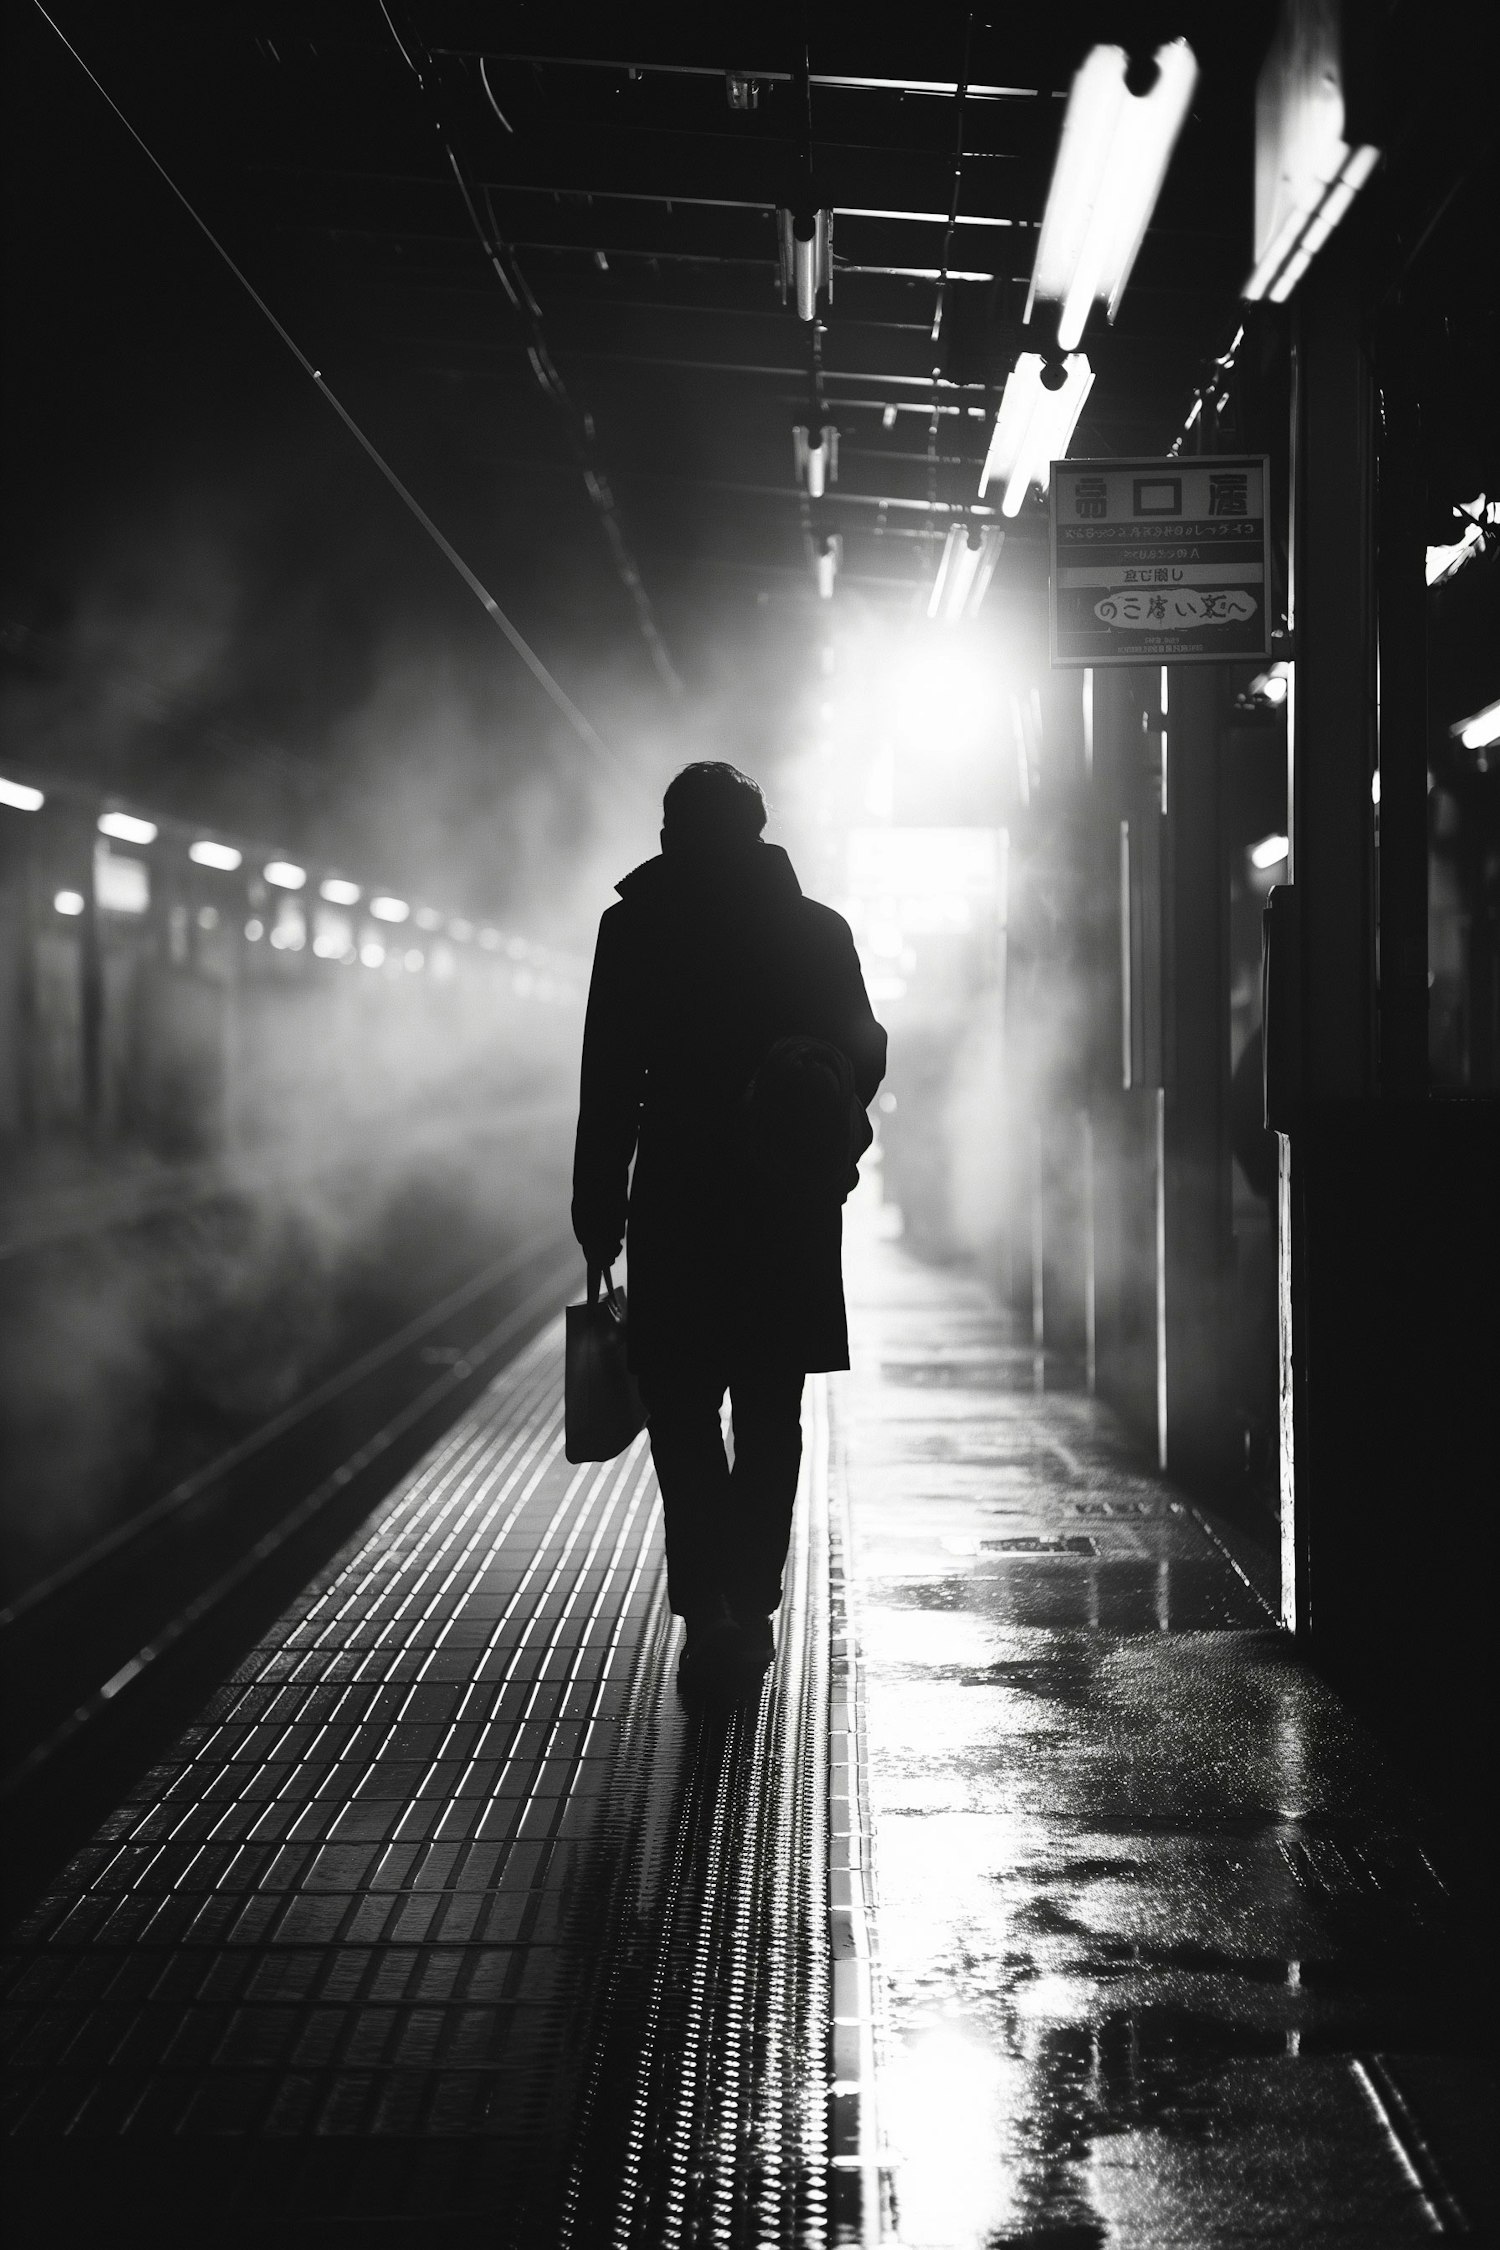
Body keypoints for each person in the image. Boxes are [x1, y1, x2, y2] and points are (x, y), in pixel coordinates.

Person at [572, 762, 886, 1694]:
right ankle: (748, 1600)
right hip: (783, 1200)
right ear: (758, 833)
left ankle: (709, 1601)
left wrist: (598, 1211)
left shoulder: (633, 929)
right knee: (768, 1405)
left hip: (675, 1199)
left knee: (679, 1407)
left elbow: (609, 1078)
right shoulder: (816, 929)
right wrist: (810, 1107)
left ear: (671, 834)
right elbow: (864, 1052)